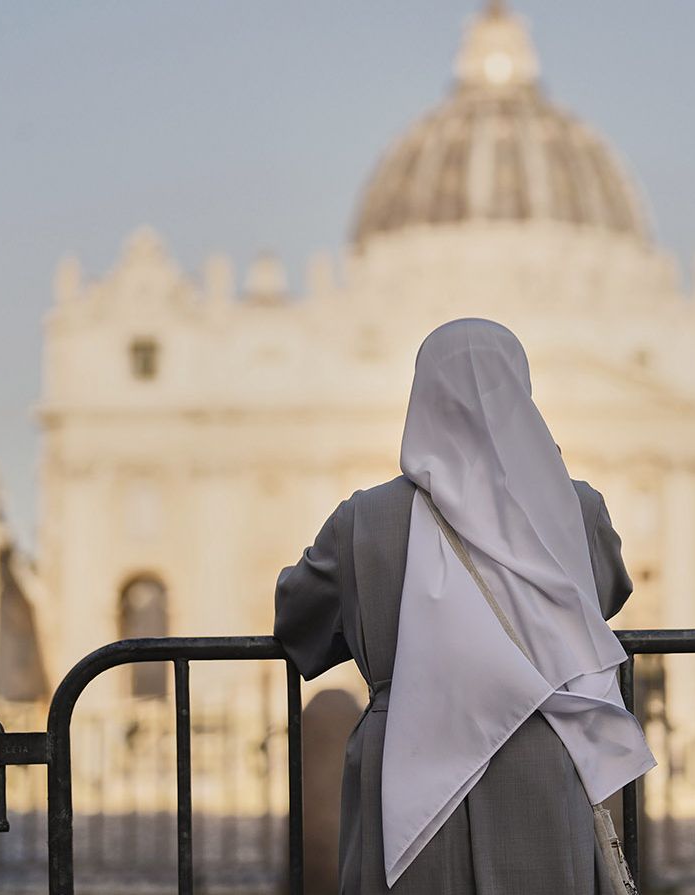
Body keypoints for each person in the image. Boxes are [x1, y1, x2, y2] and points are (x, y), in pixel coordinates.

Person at [275, 318, 655, 894]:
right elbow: (604, 599)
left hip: (406, 752)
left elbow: (297, 619)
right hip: (542, 749)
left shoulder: (364, 518)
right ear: (522, 395)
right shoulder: (577, 507)